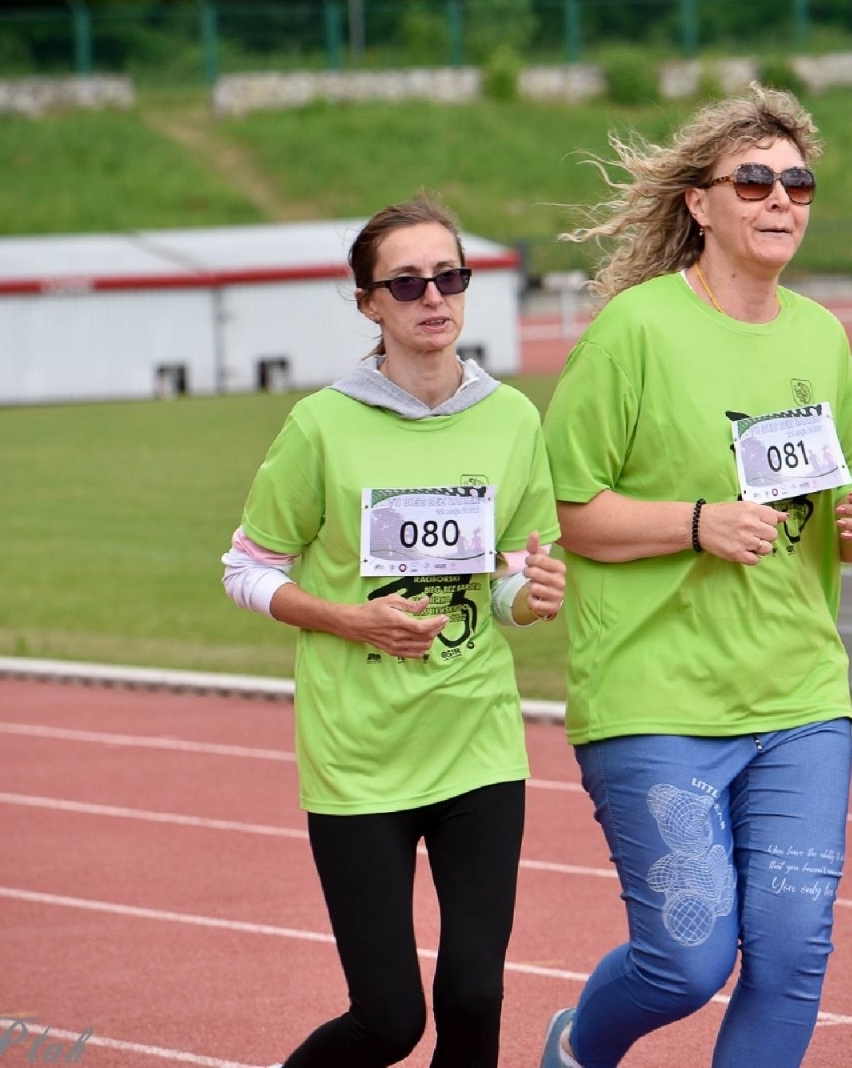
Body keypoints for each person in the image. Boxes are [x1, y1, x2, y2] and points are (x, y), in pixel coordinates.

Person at [536, 85, 852, 1068]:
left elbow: (842, 490)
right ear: (700, 203)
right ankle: (576, 1050)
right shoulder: (634, 332)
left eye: (798, 182)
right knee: (687, 961)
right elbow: (563, 512)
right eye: (753, 179)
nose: (780, 198)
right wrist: (695, 524)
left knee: (788, 955)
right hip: (656, 699)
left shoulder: (819, 336)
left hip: (796, 694)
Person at [220, 194, 565, 1068]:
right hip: (359, 757)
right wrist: (346, 617)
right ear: (369, 303)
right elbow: (247, 568)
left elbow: (508, 584)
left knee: (476, 998)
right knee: (389, 1021)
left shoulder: (513, 420)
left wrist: (534, 593)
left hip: (476, 744)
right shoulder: (322, 425)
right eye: (406, 284)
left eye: (448, 277)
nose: (432, 298)